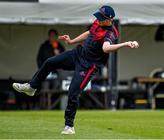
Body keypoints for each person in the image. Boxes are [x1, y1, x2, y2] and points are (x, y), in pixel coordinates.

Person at [12, 5, 139, 134]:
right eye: (98, 17)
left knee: (73, 92)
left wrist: (125, 44)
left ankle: (69, 126)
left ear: (109, 19)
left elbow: (106, 48)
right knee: (50, 62)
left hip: (89, 65)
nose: (98, 19)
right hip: (78, 54)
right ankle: (32, 87)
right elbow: (89, 33)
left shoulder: (111, 33)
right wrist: (72, 41)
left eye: (101, 18)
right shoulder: (98, 22)